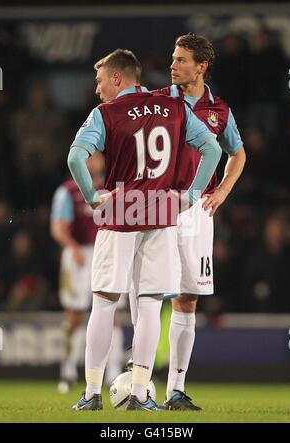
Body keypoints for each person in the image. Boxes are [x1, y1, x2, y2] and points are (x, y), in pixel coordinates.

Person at [67, 48, 222, 411]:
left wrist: (91, 196)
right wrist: (192, 194)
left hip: (121, 212)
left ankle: (91, 394)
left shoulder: (105, 113)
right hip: (162, 215)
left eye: (100, 80)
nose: (97, 89)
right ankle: (139, 393)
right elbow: (212, 149)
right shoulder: (175, 107)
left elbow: (75, 157)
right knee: (150, 303)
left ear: (117, 78)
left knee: (105, 302)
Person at [129, 33, 246, 410]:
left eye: (181, 60)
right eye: (173, 58)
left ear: (201, 66)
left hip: (197, 214)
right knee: (145, 295)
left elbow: (238, 154)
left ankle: (176, 390)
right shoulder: (158, 101)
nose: (173, 65)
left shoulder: (219, 111)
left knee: (187, 298)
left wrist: (223, 190)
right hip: (158, 205)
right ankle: (139, 383)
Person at [50, 152, 124, 393]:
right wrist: (72, 247)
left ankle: (113, 371)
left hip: (106, 250)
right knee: (74, 313)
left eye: (98, 158)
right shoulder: (69, 190)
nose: (94, 163)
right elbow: (58, 227)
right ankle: (68, 370)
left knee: (112, 312)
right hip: (78, 254)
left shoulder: (112, 188)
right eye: (89, 158)